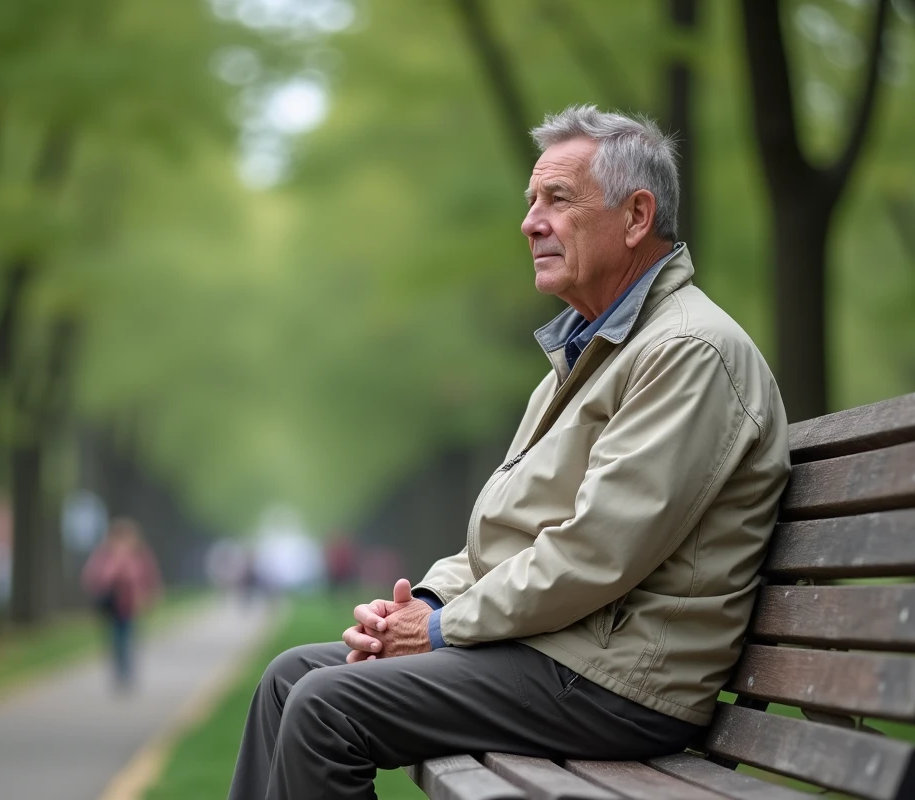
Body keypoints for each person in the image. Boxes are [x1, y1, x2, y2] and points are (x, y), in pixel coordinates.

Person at [228, 105, 791, 800]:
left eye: (557, 199)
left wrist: (437, 630)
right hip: (556, 651)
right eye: (531, 202)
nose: (530, 222)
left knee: (326, 708)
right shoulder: (588, 353)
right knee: (290, 679)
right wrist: (424, 603)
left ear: (637, 216)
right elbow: (506, 532)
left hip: (618, 681)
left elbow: (594, 551)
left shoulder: (686, 353)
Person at [81, 517, 161, 690]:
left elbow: (150, 576)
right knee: (115, 637)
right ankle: (119, 669)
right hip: (111, 603)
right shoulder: (104, 554)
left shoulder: (140, 553)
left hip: (131, 604)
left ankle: (126, 670)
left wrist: (149, 596)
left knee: (128, 635)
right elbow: (93, 576)